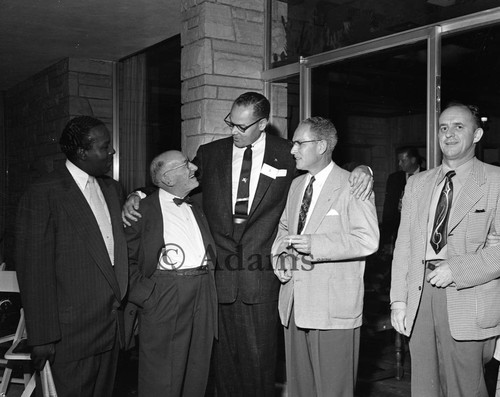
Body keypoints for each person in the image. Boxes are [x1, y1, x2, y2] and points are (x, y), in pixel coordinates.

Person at [123, 91, 373, 396]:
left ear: (263, 123)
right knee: (222, 371)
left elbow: (325, 174)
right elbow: (173, 183)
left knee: (261, 370)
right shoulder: (211, 153)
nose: (233, 131)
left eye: (242, 126)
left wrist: (364, 169)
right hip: (219, 281)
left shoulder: (288, 154)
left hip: (264, 281)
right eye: (231, 123)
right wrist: (138, 194)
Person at [390, 102, 500, 396]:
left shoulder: (495, 181)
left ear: (477, 135)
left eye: (458, 127)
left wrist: (456, 269)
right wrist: (398, 300)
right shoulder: (417, 183)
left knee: (465, 387)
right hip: (420, 293)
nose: (449, 134)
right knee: (424, 386)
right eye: (443, 127)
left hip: (468, 293)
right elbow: (405, 245)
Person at [15, 116, 128, 397]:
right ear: (82, 152)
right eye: (106, 146)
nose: (112, 152)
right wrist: (41, 337)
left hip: (111, 328)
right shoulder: (44, 193)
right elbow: (33, 270)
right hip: (69, 335)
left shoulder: (112, 190)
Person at [271, 117, 379, 396]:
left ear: (321, 146)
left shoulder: (352, 183)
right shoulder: (296, 186)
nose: (292, 149)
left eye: (298, 143)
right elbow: (285, 229)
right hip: (294, 304)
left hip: (333, 310)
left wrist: (314, 245)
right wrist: (281, 260)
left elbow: (367, 240)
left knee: (334, 390)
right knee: (300, 389)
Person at [124, 150, 217, 397]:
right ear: (167, 178)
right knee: (161, 375)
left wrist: (137, 190)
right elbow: (124, 261)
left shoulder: (196, 202)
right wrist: (148, 297)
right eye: (186, 164)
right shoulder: (140, 210)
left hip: (204, 292)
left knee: (198, 369)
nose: (194, 168)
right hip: (165, 294)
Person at [381, 146, 423, 250]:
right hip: (399, 229)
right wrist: (386, 233)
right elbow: (388, 206)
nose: (399, 164)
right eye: (399, 160)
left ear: (413, 160)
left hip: (420, 228)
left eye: (403, 160)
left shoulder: (427, 175)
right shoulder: (394, 178)